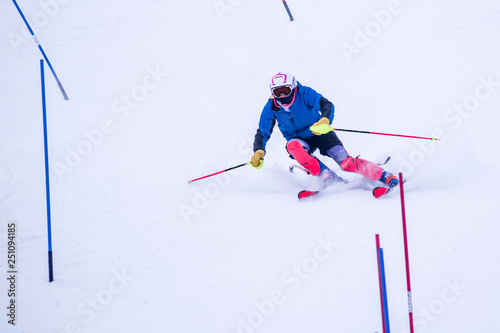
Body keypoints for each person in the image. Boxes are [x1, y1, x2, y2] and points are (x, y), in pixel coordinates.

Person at [250, 72, 399, 189]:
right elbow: (262, 131)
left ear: (293, 88)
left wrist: (324, 120)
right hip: (299, 140)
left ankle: (384, 176)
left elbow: (326, 104)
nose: (282, 96)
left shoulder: (304, 93)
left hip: (319, 132)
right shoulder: (271, 107)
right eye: (277, 92)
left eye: (285, 90)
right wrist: (258, 151)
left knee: (346, 163)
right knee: (293, 146)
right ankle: (327, 177)